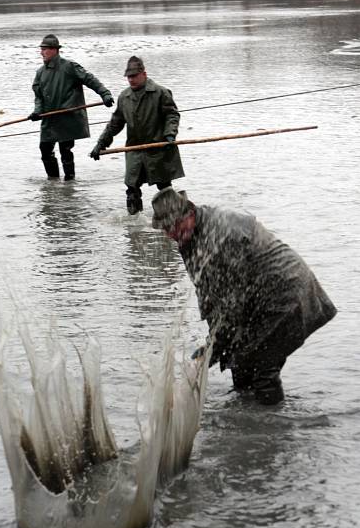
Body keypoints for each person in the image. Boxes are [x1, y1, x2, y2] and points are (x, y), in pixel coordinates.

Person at [151, 187, 337, 405]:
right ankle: (245, 425)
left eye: (173, 226)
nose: (171, 234)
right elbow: (211, 296)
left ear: (189, 214)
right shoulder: (189, 237)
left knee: (262, 369)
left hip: (285, 294)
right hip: (257, 298)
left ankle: (270, 431)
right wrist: (211, 347)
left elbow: (232, 303)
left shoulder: (222, 235)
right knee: (240, 366)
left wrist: (212, 349)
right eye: (165, 229)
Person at [89, 56, 185, 214]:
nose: (131, 80)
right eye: (128, 77)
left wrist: (170, 134)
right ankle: (134, 223)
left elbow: (172, 115)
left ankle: (172, 221)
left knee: (164, 188)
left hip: (158, 148)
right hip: (134, 150)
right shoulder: (124, 97)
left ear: (144, 74)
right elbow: (115, 123)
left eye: (134, 76)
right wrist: (101, 144)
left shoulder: (161, 92)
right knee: (132, 188)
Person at [29, 34, 114, 180]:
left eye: (45, 49)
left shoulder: (69, 66)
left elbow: (90, 79)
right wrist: (37, 112)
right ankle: (53, 180)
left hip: (67, 116)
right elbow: (39, 96)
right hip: (49, 119)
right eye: (41, 49)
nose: (41, 52)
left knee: (65, 150)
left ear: (55, 50)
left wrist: (105, 94)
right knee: (45, 149)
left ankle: (69, 182)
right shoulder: (40, 73)